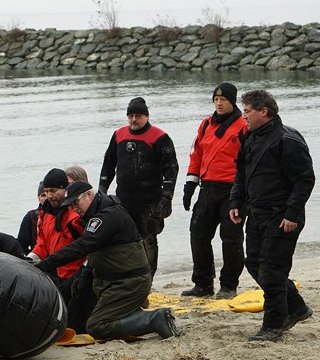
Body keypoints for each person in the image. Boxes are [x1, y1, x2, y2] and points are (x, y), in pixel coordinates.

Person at [37, 181, 179, 341]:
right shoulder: (98, 212)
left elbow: (81, 247)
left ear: (89, 195)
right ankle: (135, 314)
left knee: (97, 325)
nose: (75, 209)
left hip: (128, 284)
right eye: (71, 206)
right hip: (115, 282)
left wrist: (45, 264)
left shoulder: (107, 216)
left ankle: (154, 319)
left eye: (76, 202)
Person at [229, 89, 315, 342]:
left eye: (247, 112)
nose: (243, 117)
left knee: (274, 270)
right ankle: (297, 307)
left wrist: (292, 214)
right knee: (254, 263)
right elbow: (241, 173)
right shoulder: (250, 136)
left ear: (263, 111)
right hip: (256, 213)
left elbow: (304, 180)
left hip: (282, 216)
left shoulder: (287, 139)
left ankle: (273, 324)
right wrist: (235, 200)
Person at [99, 97, 179, 279]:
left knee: (148, 239)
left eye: (138, 116)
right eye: (131, 116)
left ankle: (148, 276)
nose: (134, 120)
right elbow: (108, 164)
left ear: (147, 117)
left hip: (150, 200)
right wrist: (102, 191)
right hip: (124, 199)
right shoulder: (119, 135)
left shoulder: (160, 137)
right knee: (124, 239)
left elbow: (171, 169)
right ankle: (129, 275)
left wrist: (167, 197)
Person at [182, 83, 247, 299]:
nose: (218, 103)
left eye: (224, 100)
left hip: (233, 191)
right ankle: (202, 284)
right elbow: (196, 155)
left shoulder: (243, 125)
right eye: (216, 100)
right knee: (198, 235)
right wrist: (189, 186)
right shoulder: (205, 124)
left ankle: (229, 286)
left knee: (231, 239)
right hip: (207, 189)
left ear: (232, 102)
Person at [26, 168, 95, 333]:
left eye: (54, 191)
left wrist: (84, 271)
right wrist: (30, 259)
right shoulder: (45, 213)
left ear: (65, 190)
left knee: (76, 326)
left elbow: (91, 245)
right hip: (58, 273)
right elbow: (42, 242)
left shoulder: (76, 214)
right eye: (46, 191)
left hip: (80, 275)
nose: (49, 196)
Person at [16, 182, 46, 254]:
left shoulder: (61, 214)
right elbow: (21, 245)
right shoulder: (30, 217)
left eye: (48, 194)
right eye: (43, 195)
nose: (46, 198)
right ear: (38, 198)